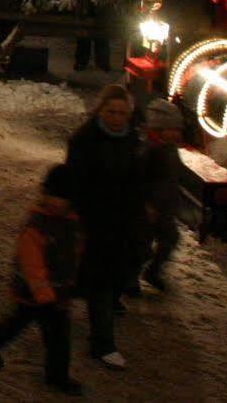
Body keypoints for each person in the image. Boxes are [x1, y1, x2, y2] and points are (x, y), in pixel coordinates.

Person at [0, 163, 85, 396]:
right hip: (34, 292)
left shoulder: (73, 224)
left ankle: (57, 376)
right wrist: (44, 294)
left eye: (62, 198)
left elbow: (75, 253)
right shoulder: (36, 226)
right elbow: (32, 264)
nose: (55, 202)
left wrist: (73, 282)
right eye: (52, 195)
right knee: (17, 324)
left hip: (59, 292)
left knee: (58, 338)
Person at [64, 83, 141, 370]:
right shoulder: (85, 139)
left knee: (102, 281)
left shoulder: (131, 140)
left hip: (118, 222)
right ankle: (102, 343)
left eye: (122, 113)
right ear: (101, 110)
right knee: (98, 282)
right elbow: (77, 180)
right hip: (93, 221)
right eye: (111, 111)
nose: (116, 118)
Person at [137, 98, 186, 292]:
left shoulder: (169, 148)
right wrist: (146, 204)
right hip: (150, 207)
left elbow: (175, 173)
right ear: (157, 129)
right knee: (141, 247)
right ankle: (128, 280)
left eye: (178, 129)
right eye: (171, 129)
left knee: (170, 238)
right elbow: (140, 179)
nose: (176, 133)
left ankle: (153, 271)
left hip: (164, 205)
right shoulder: (149, 150)